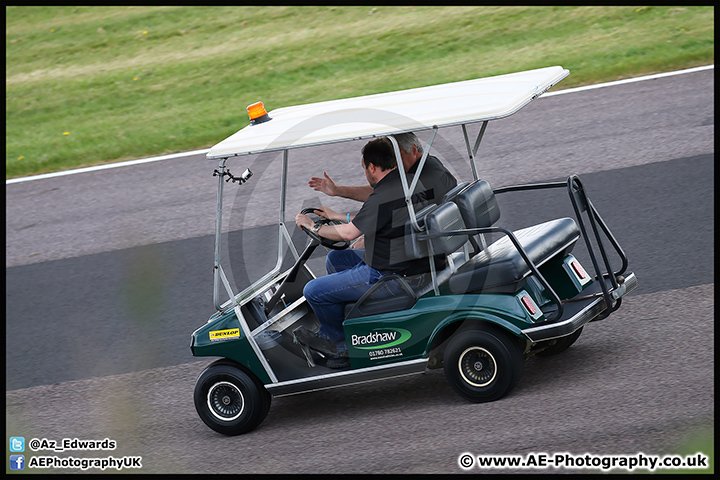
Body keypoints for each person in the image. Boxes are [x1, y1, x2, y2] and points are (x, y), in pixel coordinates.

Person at [294, 137, 432, 369]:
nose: (365, 172)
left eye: (364, 168)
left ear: (371, 167)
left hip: (387, 276)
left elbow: (348, 234)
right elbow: (367, 218)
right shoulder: (407, 184)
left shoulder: (382, 196)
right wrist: (336, 211)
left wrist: (312, 226)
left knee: (314, 291)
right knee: (337, 258)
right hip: (406, 263)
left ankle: (339, 345)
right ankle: (357, 327)